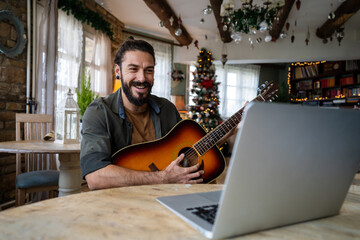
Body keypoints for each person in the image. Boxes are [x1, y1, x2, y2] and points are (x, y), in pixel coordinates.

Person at [80, 37, 205, 190]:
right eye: (133, 69)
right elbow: (95, 177)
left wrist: (228, 131)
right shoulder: (99, 112)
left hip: (166, 198)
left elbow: (190, 149)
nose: (142, 78)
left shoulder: (167, 109)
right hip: (118, 205)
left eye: (149, 70)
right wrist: (163, 178)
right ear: (118, 71)